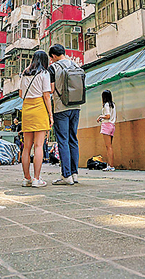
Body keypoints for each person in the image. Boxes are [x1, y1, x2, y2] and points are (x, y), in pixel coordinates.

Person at [48, 44, 82, 185]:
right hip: (76, 106)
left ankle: (66, 176)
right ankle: (74, 174)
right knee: (73, 139)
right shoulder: (75, 64)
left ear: (54, 56)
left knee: (62, 140)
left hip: (61, 108)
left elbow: (50, 90)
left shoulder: (53, 68)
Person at [19, 50, 52, 188]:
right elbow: (46, 96)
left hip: (26, 109)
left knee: (27, 147)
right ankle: (36, 179)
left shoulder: (24, 73)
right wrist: (50, 115)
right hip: (39, 108)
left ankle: (27, 178)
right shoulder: (44, 73)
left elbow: (21, 94)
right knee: (39, 145)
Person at [96, 90, 116, 172]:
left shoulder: (106, 105)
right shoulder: (113, 105)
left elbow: (108, 116)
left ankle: (111, 165)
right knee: (110, 146)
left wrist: (100, 116)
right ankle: (110, 164)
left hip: (106, 125)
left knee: (108, 147)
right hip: (112, 125)